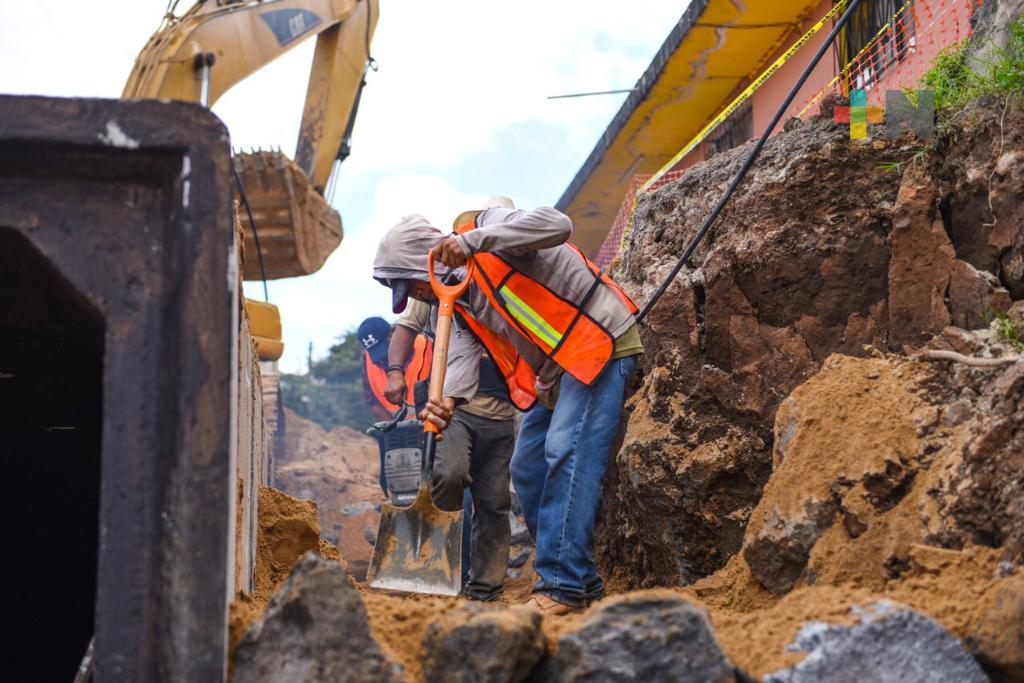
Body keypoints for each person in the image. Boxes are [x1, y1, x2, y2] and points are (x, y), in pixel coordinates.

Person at [372, 200, 642, 615]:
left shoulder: (487, 230)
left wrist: (472, 242)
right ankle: (583, 581)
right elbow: (459, 363)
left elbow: (557, 224)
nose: (418, 295)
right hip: (554, 371)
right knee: (527, 469)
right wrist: (446, 402)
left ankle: (561, 586)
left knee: (565, 452)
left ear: (426, 262)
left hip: (597, 343)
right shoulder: (460, 302)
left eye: (413, 284)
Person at [386, 293, 516, 602]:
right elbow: (406, 327)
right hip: (448, 407)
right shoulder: (442, 283)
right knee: (448, 474)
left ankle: (486, 588)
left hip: (503, 411)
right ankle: (440, 575)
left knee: (494, 501)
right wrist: (394, 372)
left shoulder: (503, 279)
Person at [357, 316, 431, 421]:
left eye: (385, 348)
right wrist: (393, 429)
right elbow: (373, 401)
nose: (386, 359)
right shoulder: (367, 360)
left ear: (393, 332)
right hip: (404, 431)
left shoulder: (427, 345)